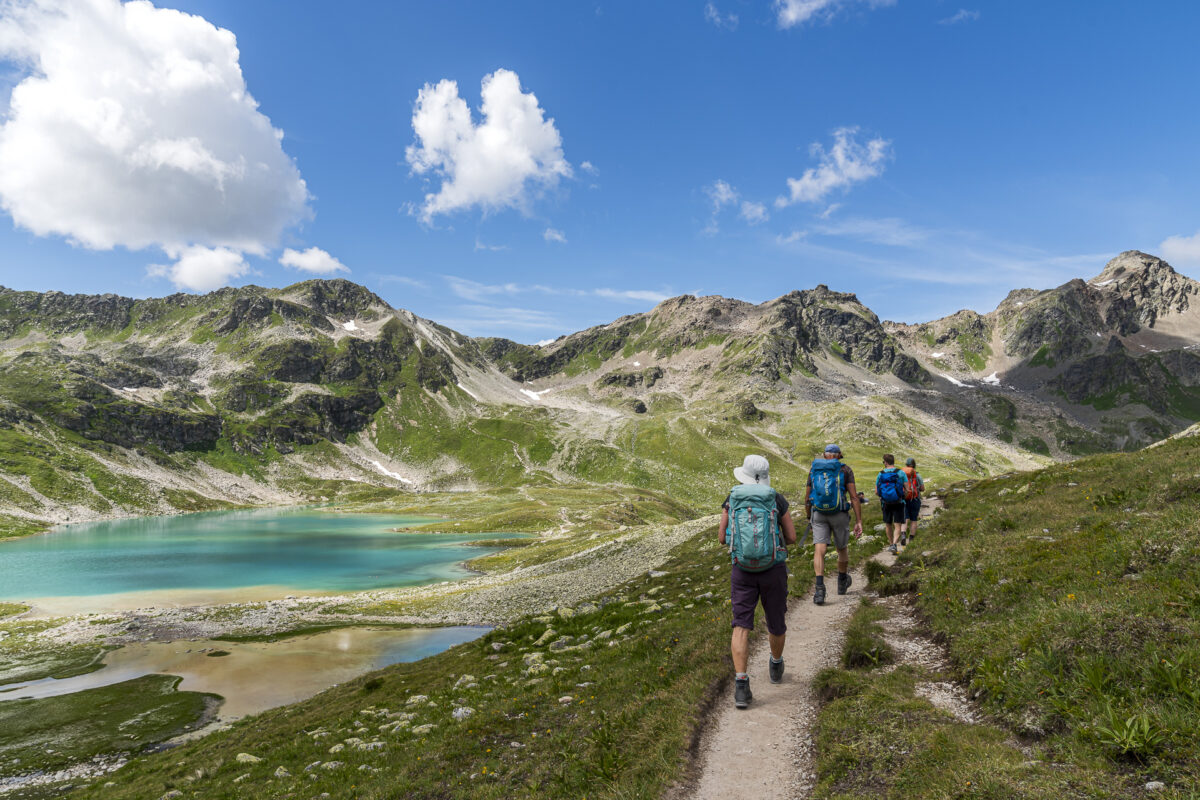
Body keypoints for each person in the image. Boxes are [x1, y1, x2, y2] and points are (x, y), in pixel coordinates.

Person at [718, 454, 797, 709]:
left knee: (741, 625)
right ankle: (775, 664)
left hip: (741, 571)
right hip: (773, 569)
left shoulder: (732, 499)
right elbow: (792, 537)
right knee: (776, 621)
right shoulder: (775, 498)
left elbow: (721, 537)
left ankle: (741, 686)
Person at [805, 444, 863, 605]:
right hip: (839, 514)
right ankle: (842, 582)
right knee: (841, 548)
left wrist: (809, 516)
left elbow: (807, 496)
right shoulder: (845, 470)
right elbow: (854, 497)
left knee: (819, 549)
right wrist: (859, 521)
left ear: (825, 455)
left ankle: (819, 589)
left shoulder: (814, 470)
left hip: (819, 514)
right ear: (839, 455)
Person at [876, 454, 909, 554]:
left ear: (885, 462)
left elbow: (877, 492)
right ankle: (895, 544)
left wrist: (884, 496)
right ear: (893, 461)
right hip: (899, 502)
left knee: (888, 524)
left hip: (885, 503)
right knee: (898, 525)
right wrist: (903, 496)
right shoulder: (901, 473)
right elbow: (907, 489)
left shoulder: (880, 474)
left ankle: (891, 544)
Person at [901, 457, 924, 546]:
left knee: (905, 518)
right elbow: (922, 488)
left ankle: (903, 535)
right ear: (914, 465)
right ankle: (911, 538)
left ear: (906, 465)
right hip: (915, 499)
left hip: (904, 499)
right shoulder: (917, 475)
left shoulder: (902, 474)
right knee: (914, 519)